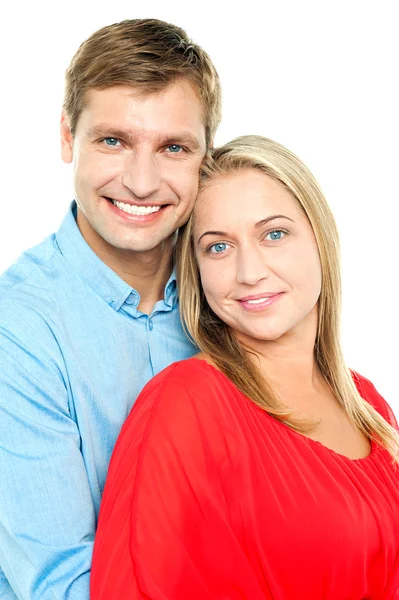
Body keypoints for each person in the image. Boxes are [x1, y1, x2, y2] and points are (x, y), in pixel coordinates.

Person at [91, 135, 399, 599]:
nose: (249, 271)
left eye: (274, 234)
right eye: (218, 247)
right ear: (195, 270)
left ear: (320, 236)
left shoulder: (367, 403)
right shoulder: (185, 405)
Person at [0, 19, 221, 599]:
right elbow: (59, 588)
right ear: (68, 136)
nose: (142, 182)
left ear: (206, 156)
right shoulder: (18, 329)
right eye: (113, 141)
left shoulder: (233, 296)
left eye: (173, 148)